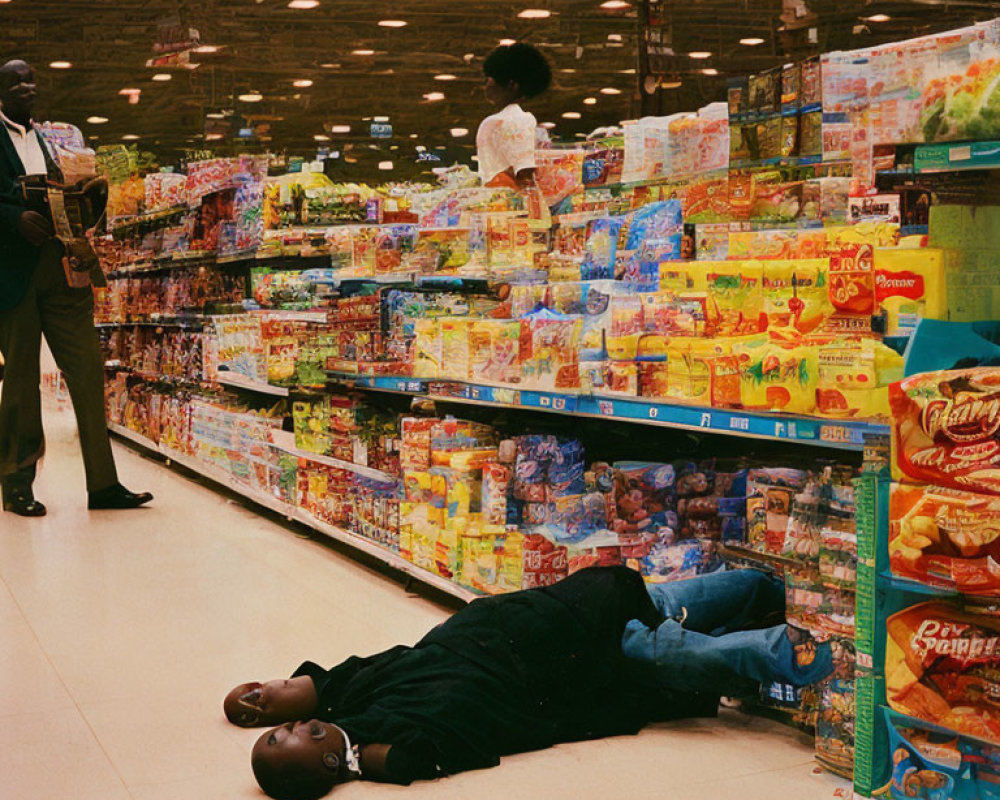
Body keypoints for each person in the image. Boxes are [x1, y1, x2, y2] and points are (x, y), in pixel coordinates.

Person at [224, 566, 833, 799]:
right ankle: (781, 633)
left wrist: (256, 697)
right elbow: (422, 756)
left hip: (541, 619)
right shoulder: (396, 735)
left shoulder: (350, 696)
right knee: (652, 636)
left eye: (275, 727)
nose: (286, 726)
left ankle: (776, 611)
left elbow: (323, 681)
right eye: (283, 740)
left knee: (659, 615)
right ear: (325, 768)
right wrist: (357, 760)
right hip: (562, 652)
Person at [0, 59, 152, 516]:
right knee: (22, 380)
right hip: (15, 274)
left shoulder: (51, 140)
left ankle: (103, 484)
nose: (28, 88)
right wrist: (11, 217)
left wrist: (90, 196)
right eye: (16, 82)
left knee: (87, 369)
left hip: (62, 268)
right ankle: (17, 481)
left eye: (31, 81)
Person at [476, 43, 552, 189]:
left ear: (511, 85)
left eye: (489, 79)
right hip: (503, 200)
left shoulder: (516, 120)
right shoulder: (508, 119)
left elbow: (525, 171)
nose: (486, 85)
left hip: (506, 203)